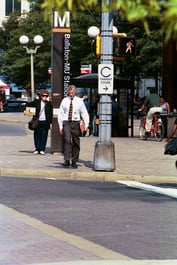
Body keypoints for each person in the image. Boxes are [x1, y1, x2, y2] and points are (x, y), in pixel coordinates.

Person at [58, 84, 89, 168]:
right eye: (69, 92)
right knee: (67, 140)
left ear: (75, 92)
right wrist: (60, 126)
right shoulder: (64, 100)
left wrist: (86, 124)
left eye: (72, 92)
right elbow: (60, 113)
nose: (70, 93)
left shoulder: (79, 101)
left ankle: (74, 160)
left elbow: (84, 113)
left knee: (76, 142)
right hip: (66, 122)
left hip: (76, 123)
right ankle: (67, 159)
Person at [24, 90, 53, 155]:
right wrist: (27, 111)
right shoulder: (36, 102)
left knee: (44, 135)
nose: (44, 97)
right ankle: (37, 149)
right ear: (41, 96)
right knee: (37, 135)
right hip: (37, 121)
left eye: (46, 96)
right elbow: (28, 105)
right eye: (43, 95)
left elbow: (50, 114)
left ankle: (42, 149)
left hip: (45, 121)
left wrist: (51, 123)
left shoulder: (49, 104)